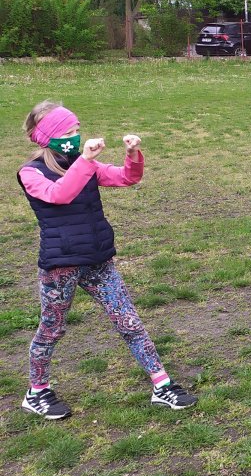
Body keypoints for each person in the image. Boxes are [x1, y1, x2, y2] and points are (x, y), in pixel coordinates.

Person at [17, 101, 197, 419]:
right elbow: (59, 194)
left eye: (76, 130)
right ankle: (37, 391)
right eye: (67, 133)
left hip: (98, 260)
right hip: (61, 266)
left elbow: (126, 178)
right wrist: (86, 160)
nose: (75, 137)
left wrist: (132, 154)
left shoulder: (83, 164)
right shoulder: (31, 172)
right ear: (48, 137)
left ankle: (162, 385)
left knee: (130, 322)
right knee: (52, 329)